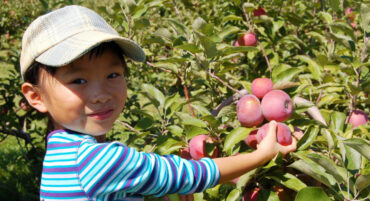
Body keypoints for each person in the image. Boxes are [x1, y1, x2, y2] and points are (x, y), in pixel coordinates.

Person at [20, 5, 297, 201]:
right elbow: (193, 174)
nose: (101, 93)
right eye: (78, 80)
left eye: (113, 74)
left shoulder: (61, 154)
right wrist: (260, 156)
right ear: (36, 96)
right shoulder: (96, 161)